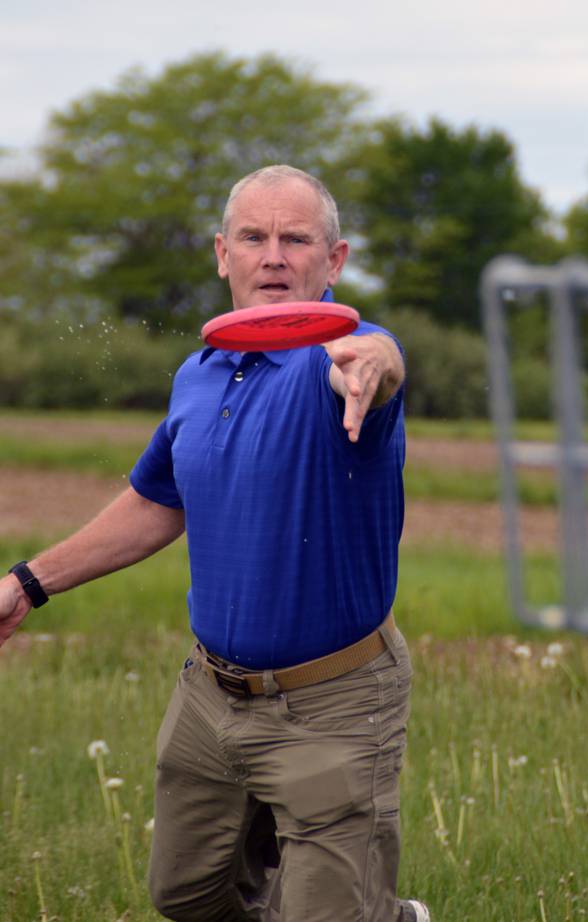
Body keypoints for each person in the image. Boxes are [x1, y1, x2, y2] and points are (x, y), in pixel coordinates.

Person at [0, 165, 430, 922]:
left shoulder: (341, 358)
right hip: (210, 697)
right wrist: (28, 582)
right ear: (220, 253)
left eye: (296, 239)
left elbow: (381, 357)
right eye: (253, 237)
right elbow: (158, 500)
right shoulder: (198, 377)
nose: (273, 256)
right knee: (187, 895)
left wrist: (374, 366)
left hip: (331, 704)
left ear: (334, 261)